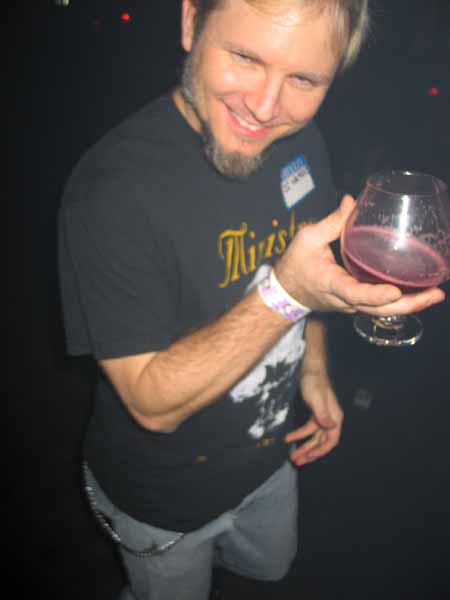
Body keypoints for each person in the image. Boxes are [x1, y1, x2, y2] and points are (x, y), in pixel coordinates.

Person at [58, 1, 444, 599]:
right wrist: (286, 294)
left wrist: (314, 370)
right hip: (162, 498)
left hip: (269, 462)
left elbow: (311, 262)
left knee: (269, 570)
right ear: (191, 22)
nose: (265, 108)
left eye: (304, 80)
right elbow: (151, 403)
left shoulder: (304, 142)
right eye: (244, 57)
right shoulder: (112, 190)